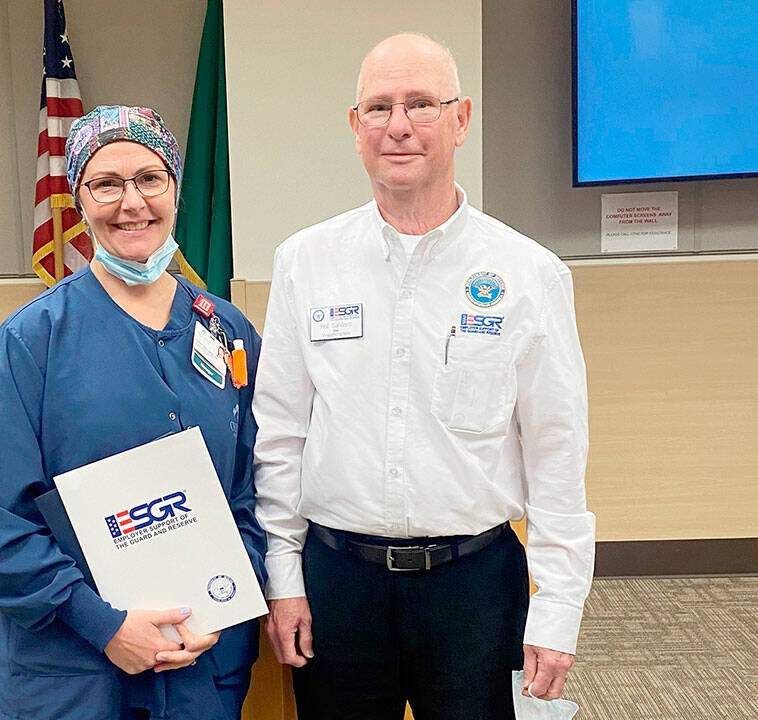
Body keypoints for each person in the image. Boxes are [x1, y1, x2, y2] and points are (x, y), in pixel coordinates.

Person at [252, 34, 595, 719]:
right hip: (336, 587)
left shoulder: (529, 274)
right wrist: (284, 579)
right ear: (355, 128)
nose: (399, 126)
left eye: (421, 104)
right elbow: (280, 436)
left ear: (462, 118)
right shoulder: (305, 262)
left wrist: (557, 611)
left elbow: (558, 453)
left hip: (474, 588)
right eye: (378, 108)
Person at [0, 105, 266, 720]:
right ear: (79, 200)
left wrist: (226, 599)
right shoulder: (33, 340)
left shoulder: (227, 330)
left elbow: (259, 488)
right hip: (72, 669)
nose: (132, 202)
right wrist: (102, 624)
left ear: (175, 190)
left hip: (200, 660)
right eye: (106, 184)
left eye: (150, 179)